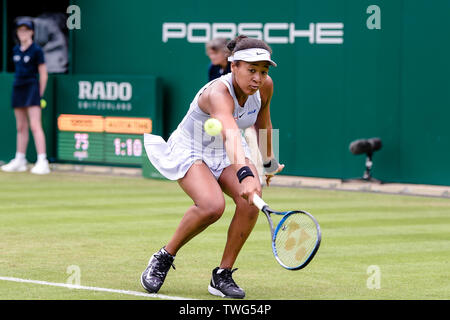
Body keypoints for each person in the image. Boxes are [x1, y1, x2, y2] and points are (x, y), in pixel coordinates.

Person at [142, 35, 284, 299]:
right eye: (251, 70)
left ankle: (222, 275)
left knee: (251, 201)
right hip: (192, 148)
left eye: (263, 71)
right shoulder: (217, 92)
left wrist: (267, 162)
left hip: (225, 151)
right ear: (234, 67)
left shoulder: (265, 87)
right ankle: (164, 256)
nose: (258, 78)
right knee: (212, 206)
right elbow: (230, 132)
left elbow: (263, 121)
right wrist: (245, 174)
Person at [1, 19, 50, 175]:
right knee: (20, 126)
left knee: (35, 125)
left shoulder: (36, 50)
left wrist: (39, 93)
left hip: (32, 89)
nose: (23, 33)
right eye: (20, 30)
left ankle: (43, 160)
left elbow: (43, 74)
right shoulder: (16, 50)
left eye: (26, 30)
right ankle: (20, 159)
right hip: (18, 88)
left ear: (31, 32)